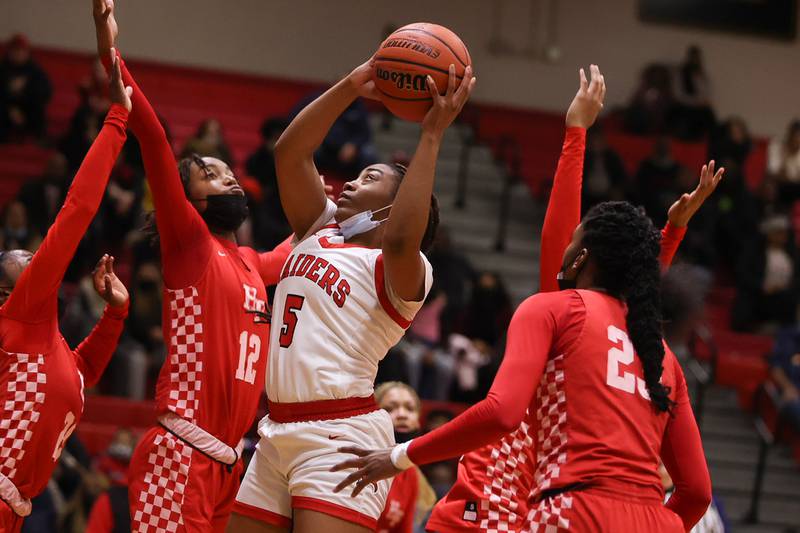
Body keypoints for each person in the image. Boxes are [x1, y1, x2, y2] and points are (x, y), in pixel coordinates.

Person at [333, 67, 722, 533]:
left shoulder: (562, 310)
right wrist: (670, 234)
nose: (564, 247)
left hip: (518, 503)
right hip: (609, 512)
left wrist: (576, 133)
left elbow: (585, 256)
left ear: (583, 257)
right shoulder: (652, 349)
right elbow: (629, 283)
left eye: (575, 243)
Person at [228, 54, 475, 532]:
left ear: (396, 206)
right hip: (276, 427)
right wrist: (349, 86)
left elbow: (404, 237)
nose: (352, 182)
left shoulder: (404, 269)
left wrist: (432, 134)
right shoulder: (320, 232)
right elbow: (290, 152)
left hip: (339, 435)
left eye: (370, 179)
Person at [92, 2, 293, 530]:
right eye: (210, 172)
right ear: (186, 197)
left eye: (229, 172)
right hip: (179, 451)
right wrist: (108, 42)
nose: (227, 178)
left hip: (227, 463)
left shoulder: (252, 261)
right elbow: (154, 137)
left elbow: (305, 242)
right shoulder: (190, 244)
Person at [0, 51, 132, 533]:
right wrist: (117, 120)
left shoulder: (46, 342)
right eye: (26, 263)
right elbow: (76, 210)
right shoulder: (20, 316)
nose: (38, 262)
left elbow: (83, 371)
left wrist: (115, 315)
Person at [374, 382, 435, 533]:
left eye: (410, 408)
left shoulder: (411, 472)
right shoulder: (356, 461)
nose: (402, 414)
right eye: (390, 408)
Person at [0, 34, 52, 141]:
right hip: (6, 109)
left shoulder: (34, 70)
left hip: (27, 109)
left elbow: (45, 92)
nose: (18, 54)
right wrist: (10, 110)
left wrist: (26, 89)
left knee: (38, 110)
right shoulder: (3, 68)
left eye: (21, 51)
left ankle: (38, 140)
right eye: (15, 51)